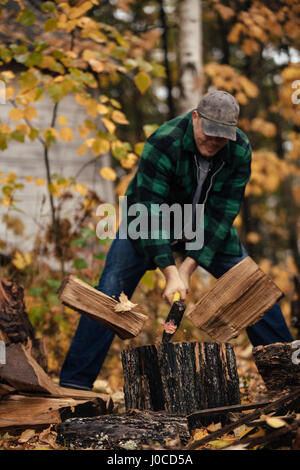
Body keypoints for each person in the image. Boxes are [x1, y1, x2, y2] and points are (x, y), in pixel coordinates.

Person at [60, 90, 293, 391]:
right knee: (109, 292)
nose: (213, 141)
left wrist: (186, 270)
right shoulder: (164, 140)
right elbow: (150, 213)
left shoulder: (240, 150)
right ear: (195, 117)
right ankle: (73, 386)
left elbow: (222, 215)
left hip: (204, 225)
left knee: (253, 289)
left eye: (222, 137)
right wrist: (170, 273)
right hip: (146, 220)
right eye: (208, 133)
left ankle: (291, 379)